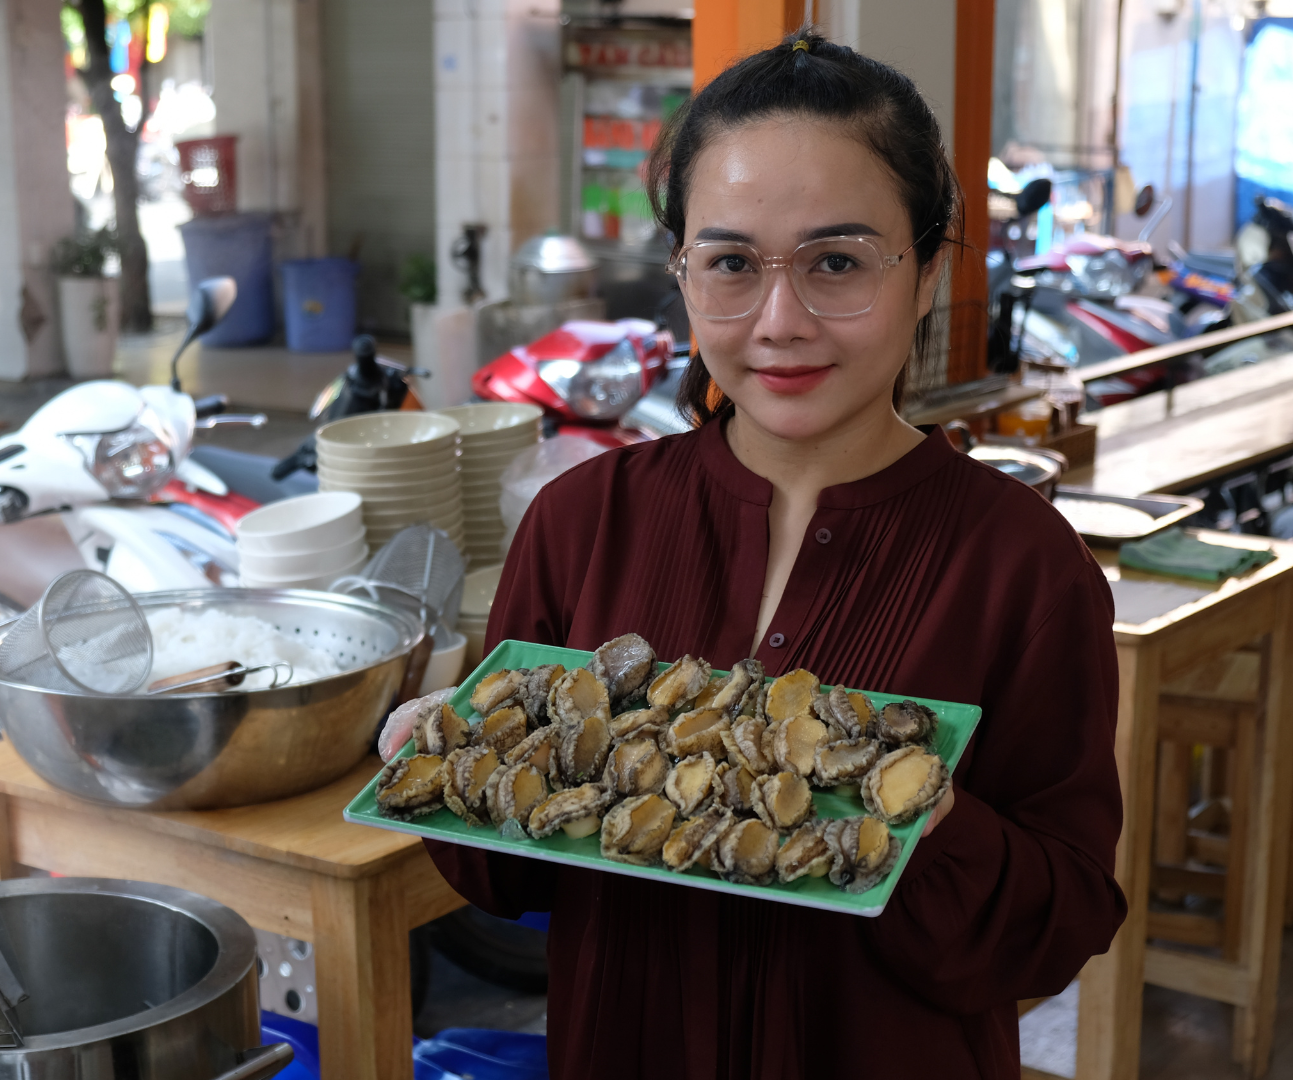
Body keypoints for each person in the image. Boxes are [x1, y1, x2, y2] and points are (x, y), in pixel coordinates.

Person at [425, 31, 1127, 1079]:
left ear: (929, 271)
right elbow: (503, 878)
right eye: (731, 265)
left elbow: (1058, 925)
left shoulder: (1022, 565)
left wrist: (925, 817)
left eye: (838, 262)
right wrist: (443, 750)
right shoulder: (581, 522)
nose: (781, 321)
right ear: (681, 272)